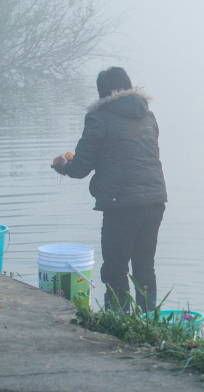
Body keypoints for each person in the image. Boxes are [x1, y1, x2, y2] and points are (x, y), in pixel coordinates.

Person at [51, 67, 168, 313]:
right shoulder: (149, 117)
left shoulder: (99, 118)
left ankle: (119, 322)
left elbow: (81, 166)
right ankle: (148, 321)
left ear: (102, 93)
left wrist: (64, 166)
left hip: (121, 202)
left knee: (115, 268)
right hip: (155, 199)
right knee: (145, 267)